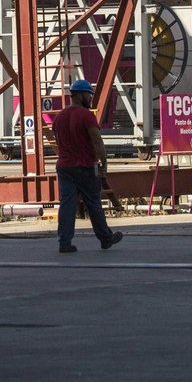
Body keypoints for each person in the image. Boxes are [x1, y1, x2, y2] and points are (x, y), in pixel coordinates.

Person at [50, 80, 122, 254]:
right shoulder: (86, 116)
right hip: (85, 167)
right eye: (89, 95)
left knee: (67, 205)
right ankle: (105, 239)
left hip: (65, 168)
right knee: (93, 204)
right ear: (81, 95)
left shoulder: (59, 117)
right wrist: (104, 161)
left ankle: (64, 242)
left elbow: (58, 141)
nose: (90, 98)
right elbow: (96, 141)